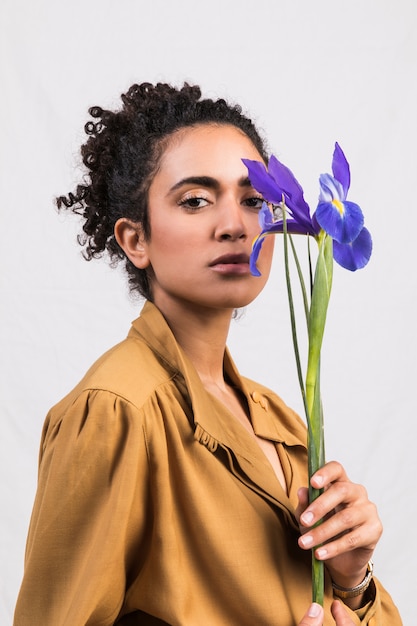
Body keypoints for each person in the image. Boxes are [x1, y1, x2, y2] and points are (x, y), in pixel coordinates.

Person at [13, 83, 402, 625]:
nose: (236, 226)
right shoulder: (116, 410)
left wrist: (352, 581)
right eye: (195, 200)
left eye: (253, 200)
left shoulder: (277, 418)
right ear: (135, 240)